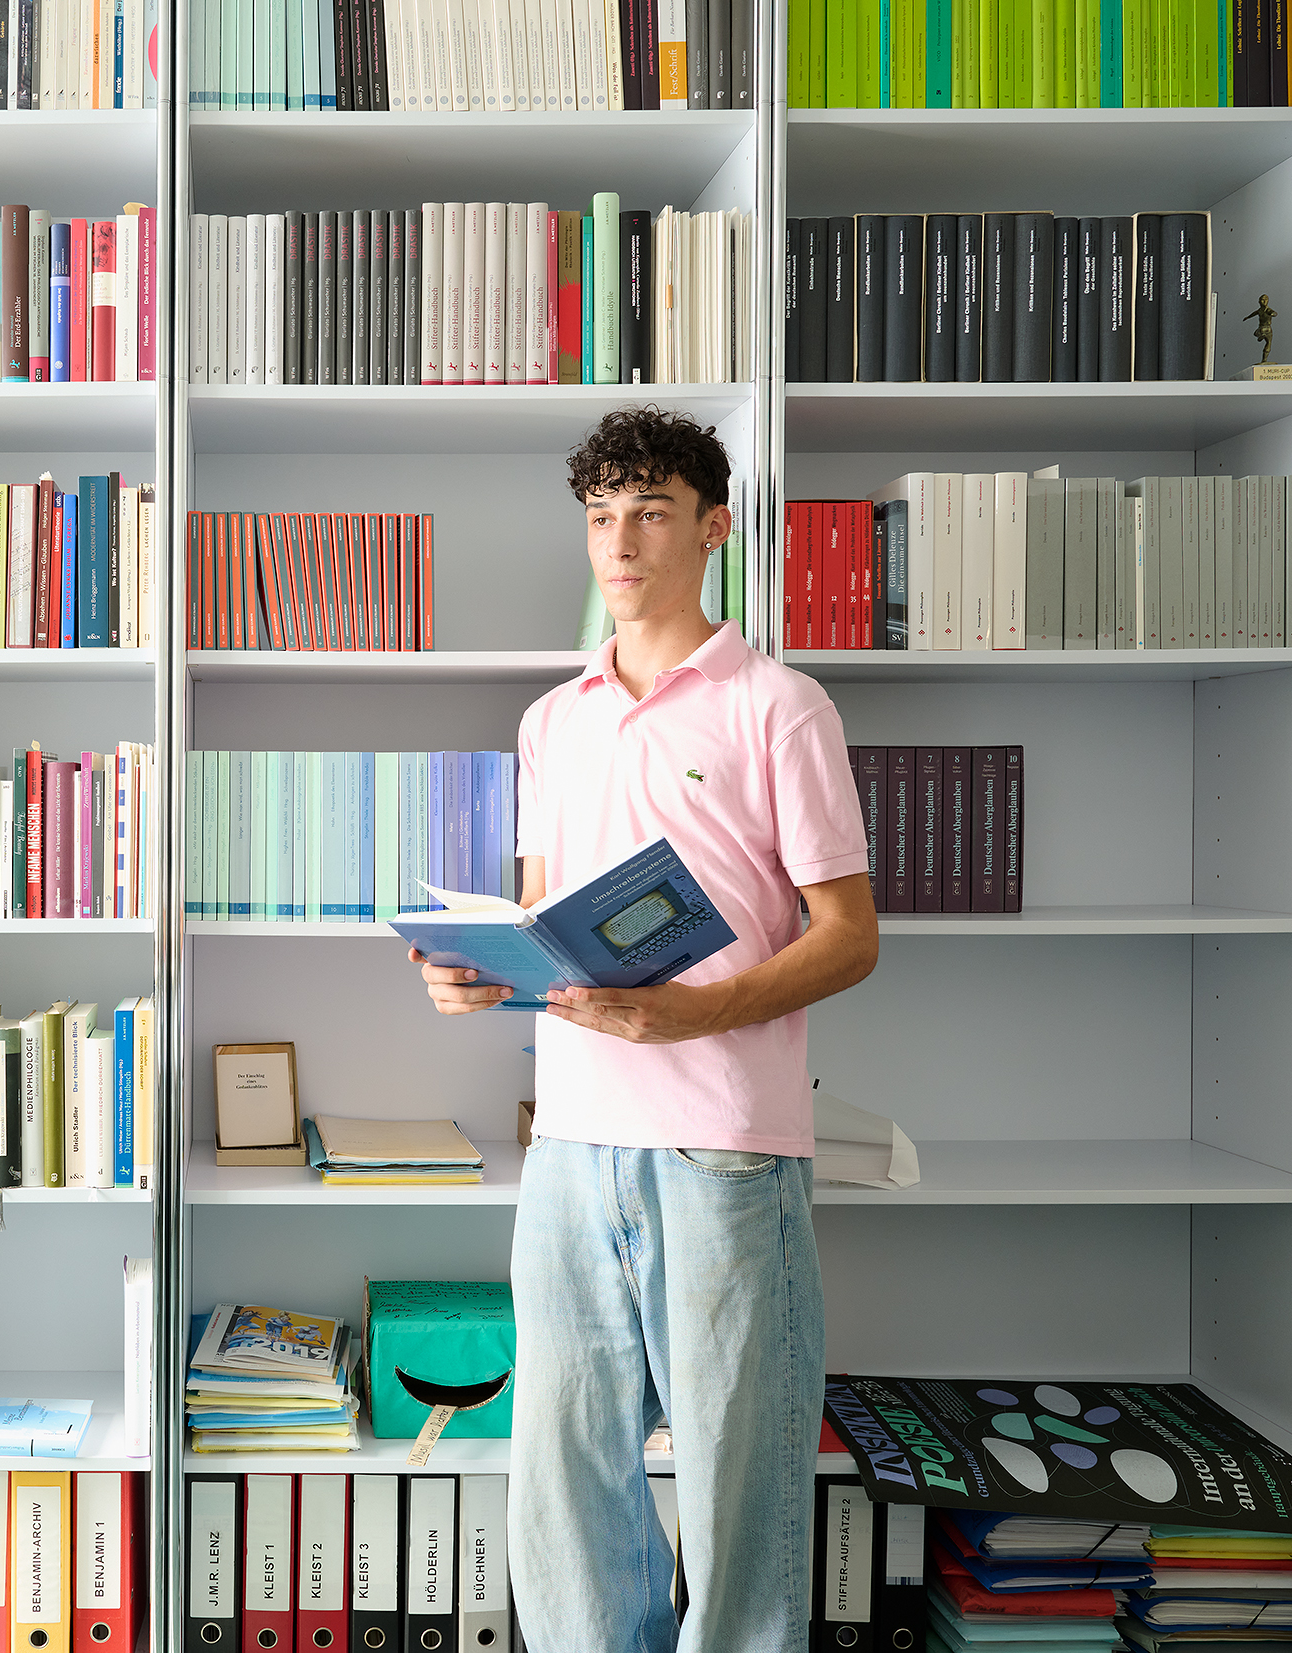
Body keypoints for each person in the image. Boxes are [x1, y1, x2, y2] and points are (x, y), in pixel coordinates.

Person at [407, 407, 878, 1651]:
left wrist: (703, 1011)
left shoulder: (779, 707)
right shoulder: (549, 718)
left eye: (649, 512)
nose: (618, 540)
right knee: (562, 1477)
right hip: (567, 1138)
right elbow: (547, 918)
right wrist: (478, 974)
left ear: (711, 529)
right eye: (600, 516)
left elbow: (849, 935)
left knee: (738, 1475)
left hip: (721, 1145)